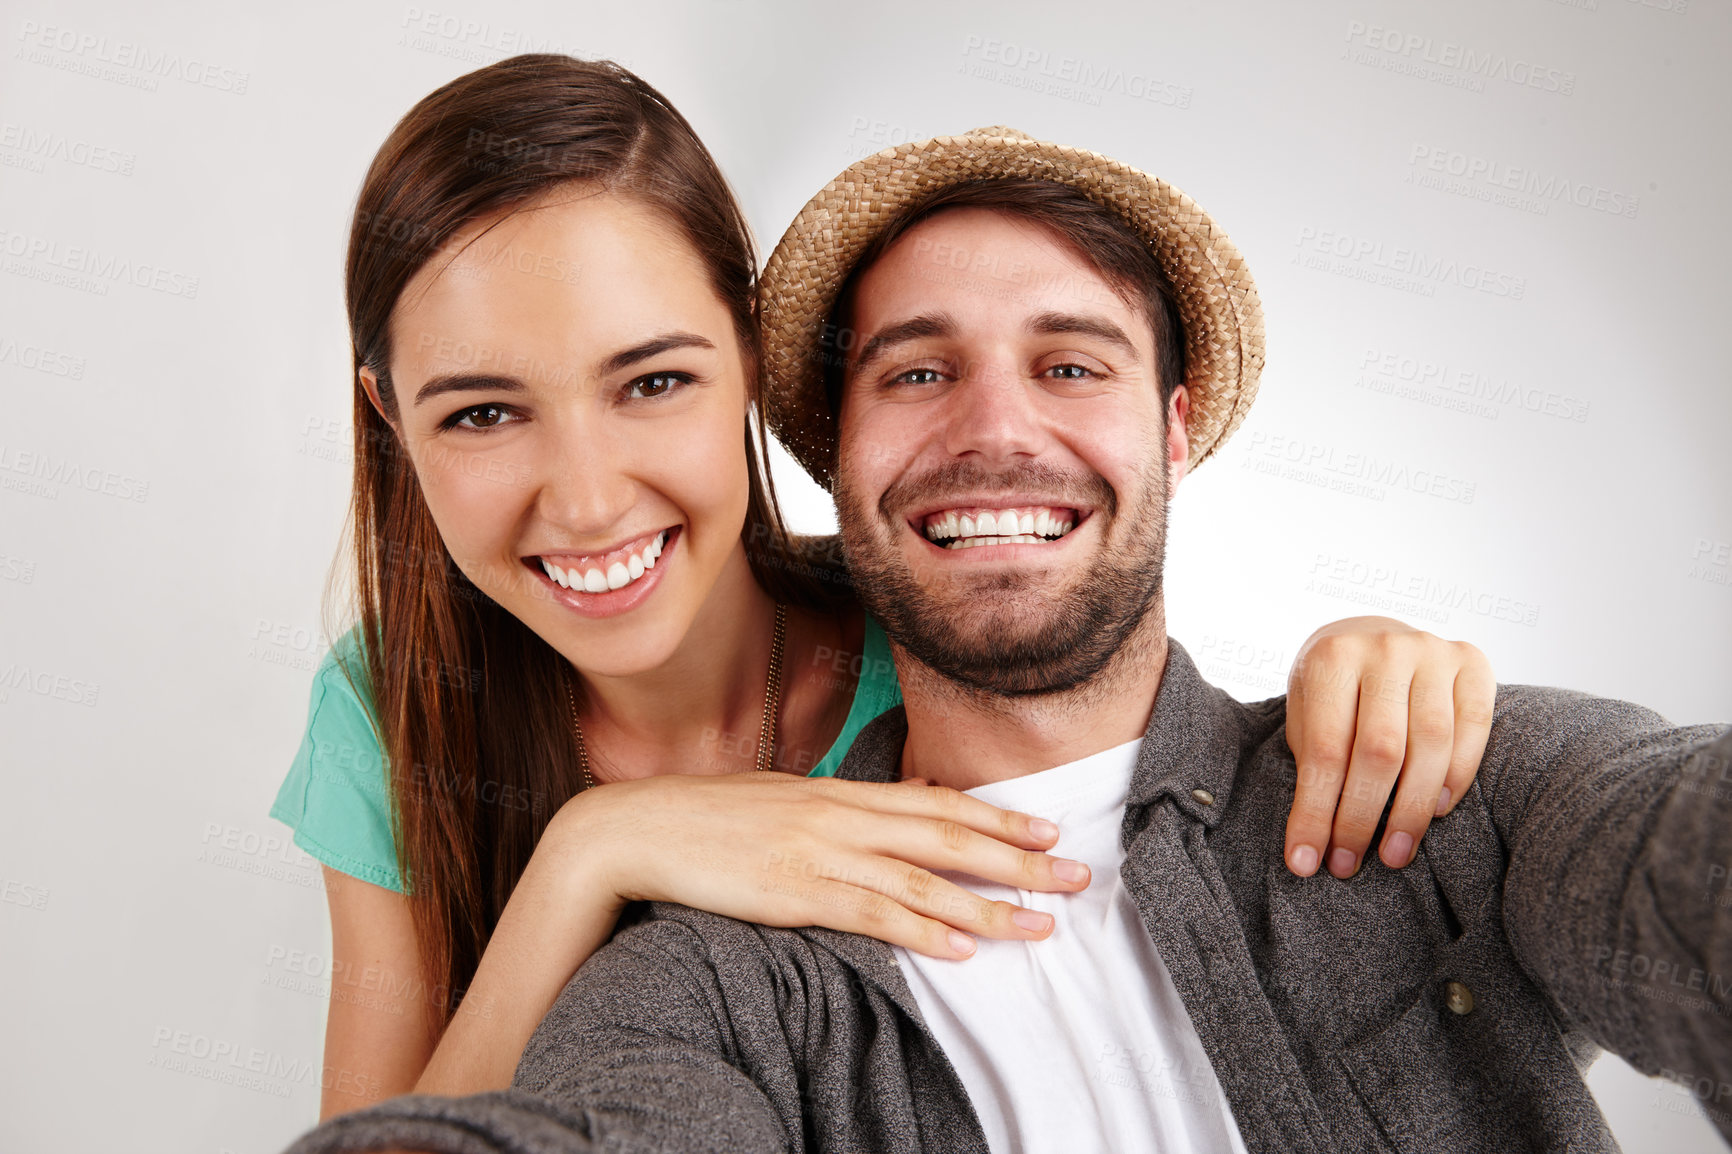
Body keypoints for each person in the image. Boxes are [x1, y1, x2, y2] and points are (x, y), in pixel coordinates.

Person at [282, 125, 1732, 1154]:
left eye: (1070, 361)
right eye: (917, 370)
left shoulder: (1424, 784)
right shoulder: (710, 977)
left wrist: (1394, 664)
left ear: (1177, 423)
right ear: (838, 453)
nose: (992, 432)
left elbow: (1665, 857)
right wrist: (597, 847)